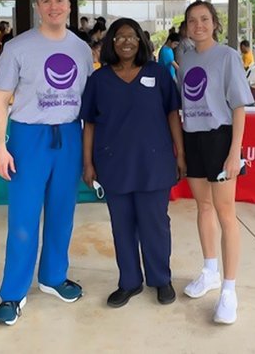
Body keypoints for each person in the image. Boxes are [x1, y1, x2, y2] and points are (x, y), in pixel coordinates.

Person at [0, 0, 93, 326]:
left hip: (68, 135)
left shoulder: (81, 49)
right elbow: (0, 98)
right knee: (23, 219)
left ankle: (53, 276)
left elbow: (86, 101)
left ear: (68, 6)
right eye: (46, 0)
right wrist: (0, 145)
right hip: (28, 137)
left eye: (59, 0)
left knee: (62, 213)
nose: (53, 6)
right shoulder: (18, 47)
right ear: (37, 6)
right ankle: (13, 293)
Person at [81, 18, 185, 308]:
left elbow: (172, 115)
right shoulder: (99, 80)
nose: (126, 41)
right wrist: (87, 163)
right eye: (119, 37)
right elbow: (88, 123)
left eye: (132, 37)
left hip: (155, 162)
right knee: (122, 226)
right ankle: (129, 282)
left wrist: (180, 153)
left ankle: (161, 279)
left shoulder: (159, 74)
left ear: (141, 41)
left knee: (155, 224)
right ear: (110, 43)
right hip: (114, 163)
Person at [178, 0, 253, 325]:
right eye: (192, 20)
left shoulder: (228, 56)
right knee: (203, 208)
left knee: (226, 214)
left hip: (219, 139)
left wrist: (235, 151)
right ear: (186, 26)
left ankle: (229, 290)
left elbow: (238, 106)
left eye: (205, 19)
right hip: (192, 138)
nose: (199, 25)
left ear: (215, 23)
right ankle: (209, 270)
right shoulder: (184, 56)